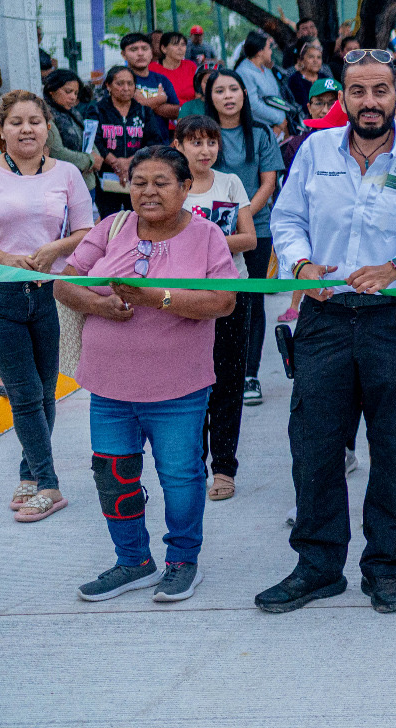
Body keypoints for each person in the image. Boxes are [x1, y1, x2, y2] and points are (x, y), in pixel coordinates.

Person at [257, 50, 396, 615]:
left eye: (380, 90)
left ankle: (384, 568)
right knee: (314, 444)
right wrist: (299, 265)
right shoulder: (315, 150)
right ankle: (318, 566)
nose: (370, 102)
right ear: (342, 97)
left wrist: (395, 267)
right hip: (326, 316)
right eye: (358, 91)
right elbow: (287, 219)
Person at [55, 145, 238, 602]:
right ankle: (133, 561)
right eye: (139, 183)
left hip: (178, 388)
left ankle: (183, 561)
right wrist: (98, 305)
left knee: (179, 476)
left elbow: (224, 301)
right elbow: (65, 282)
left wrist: (155, 298)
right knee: (113, 474)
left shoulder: (208, 235)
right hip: (109, 387)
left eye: (161, 183)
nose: (148, 192)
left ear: (185, 187)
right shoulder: (112, 226)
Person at [0, 90, 93, 521]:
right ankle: (49, 484)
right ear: (2, 131)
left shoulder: (68, 173)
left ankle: (29, 473)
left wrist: (56, 246)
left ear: (48, 128)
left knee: (46, 388)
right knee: (24, 393)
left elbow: (87, 230)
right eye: (16, 122)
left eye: (35, 121)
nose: (27, 129)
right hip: (3, 293)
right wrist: (6, 258)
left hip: (49, 293)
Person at [170, 115, 258, 501]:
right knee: (188, 385)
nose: (205, 150)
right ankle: (192, 465)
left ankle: (223, 467)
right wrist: (211, 241)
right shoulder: (172, 186)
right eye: (196, 142)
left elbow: (249, 239)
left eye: (211, 142)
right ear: (178, 146)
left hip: (229, 295)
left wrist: (202, 242)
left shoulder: (230, 183)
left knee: (228, 383)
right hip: (183, 298)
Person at [204, 69, 283, 406]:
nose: (228, 96)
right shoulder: (203, 133)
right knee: (213, 297)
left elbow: (269, 182)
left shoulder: (261, 132)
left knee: (252, 300)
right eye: (220, 90)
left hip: (256, 229)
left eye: (233, 89)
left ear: (244, 94)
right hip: (209, 231)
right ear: (210, 98)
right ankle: (212, 371)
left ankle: (250, 374)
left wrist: (243, 217)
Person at [89, 64, 169, 217]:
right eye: (120, 83)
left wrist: (129, 162)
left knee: (137, 218)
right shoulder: (97, 110)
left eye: (130, 84)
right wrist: (114, 162)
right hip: (106, 176)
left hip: (138, 175)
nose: (125, 88)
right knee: (109, 220)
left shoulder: (144, 111)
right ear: (108, 85)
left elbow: (154, 141)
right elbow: (94, 140)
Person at [43, 69, 99, 191]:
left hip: (86, 183)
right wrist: (91, 160)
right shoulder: (45, 116)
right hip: (64, 185)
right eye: (68, 92)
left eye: (76, 93)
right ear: (51, 91)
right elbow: (57, 153)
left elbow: (88, 139)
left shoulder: (73, 113)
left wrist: (96, 155)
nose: (73, 97)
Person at [119, 32, 180, 123]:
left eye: (145, 49)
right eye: (134, 49)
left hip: (160, 132)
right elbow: (127, 108)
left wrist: (144, 102)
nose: (140, 53)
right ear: (123, 54)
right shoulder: (120, 80)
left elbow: (176, 111)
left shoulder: (161, 79)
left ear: (151, 52)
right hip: (131, 131)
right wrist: (159, 99)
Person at [234, 31, 288, 133]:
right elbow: (253, 105)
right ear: (260, 52)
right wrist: (278, 119)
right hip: (258, 129)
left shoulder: (266, 70)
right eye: (268, 48)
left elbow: (277, 97)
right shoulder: (244, 72)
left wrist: (281, 120)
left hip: (277, 126)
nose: (271, 52)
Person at [150, 32, 200, 107]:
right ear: (164, 48)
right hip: (164, 111)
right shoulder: (153, 68)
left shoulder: (190, 66)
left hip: (190, 111)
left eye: (183, 45)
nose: (180, 49)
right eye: (175, 45)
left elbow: (199, 94)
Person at [286, 39, 327, 111]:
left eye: (319, 57)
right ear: (301, 61)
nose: (315, 61)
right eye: (311, 57)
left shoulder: (325, 78)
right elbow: (304, 106)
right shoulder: (295, 80)